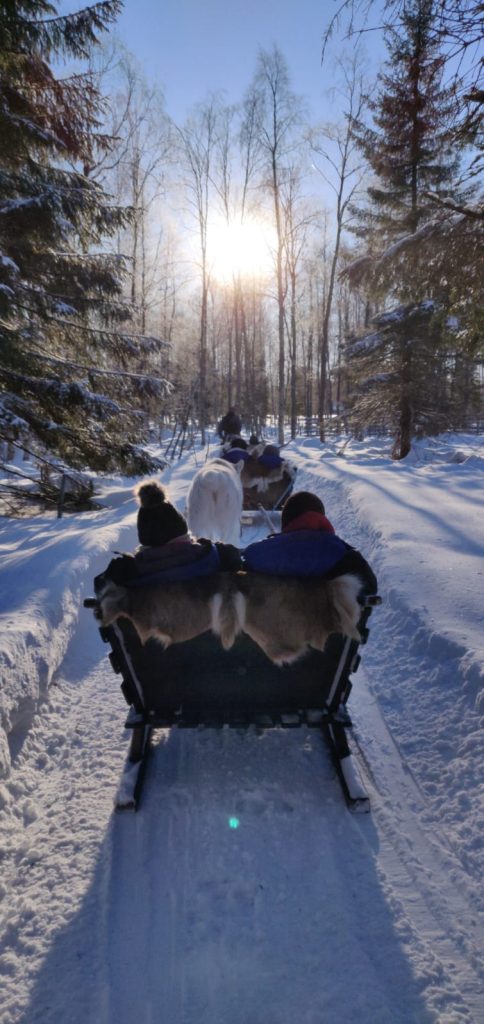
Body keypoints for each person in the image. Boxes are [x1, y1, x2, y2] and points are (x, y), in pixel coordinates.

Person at [97, 480, 241, 589]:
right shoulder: (211, 555)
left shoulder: (129, 572)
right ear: (182, 529)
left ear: (145, 538)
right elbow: (238, 561)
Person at [242, 490, 377, 595]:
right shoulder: (347, 555)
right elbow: (369, 588)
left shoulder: (261, 553)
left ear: (287, 521)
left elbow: (245, 560)